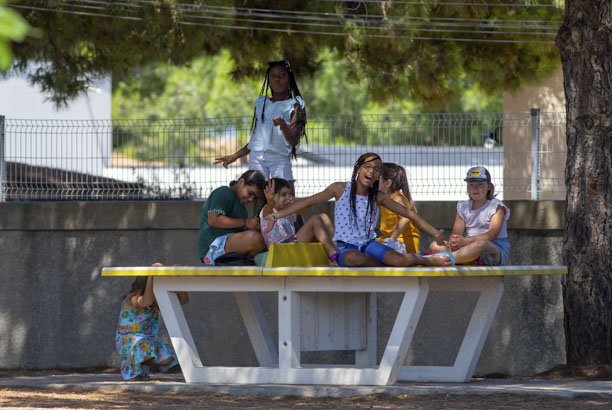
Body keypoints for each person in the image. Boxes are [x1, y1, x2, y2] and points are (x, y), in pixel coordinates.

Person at [263, 153, 453, 267]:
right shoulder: (339, 188)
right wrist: (274, 215)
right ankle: (385, 264)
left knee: (400, 261)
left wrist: (435, 232)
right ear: (358, 169)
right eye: (367, 166)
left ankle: (425, 260)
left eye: (376, 169)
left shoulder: (378, 196)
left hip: (369, 244)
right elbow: (308, 202)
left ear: (379, 175)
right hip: (347, 247)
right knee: (354, 257)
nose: (371, 171)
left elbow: (409, 214)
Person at [214, 60, 306, 188]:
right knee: (257, 195)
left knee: (285, 193)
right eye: (273, 76)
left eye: (282, 75)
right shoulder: (261, 103)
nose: (277, 79)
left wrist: (284, 127)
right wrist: (235, 156)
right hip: (256, 157)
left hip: (279, 157)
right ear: (269, 80)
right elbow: (256, 140)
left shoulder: (294, 105)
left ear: (289, 79)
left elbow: (294, 140)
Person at [429, 166, 510, 265]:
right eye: (471, 184)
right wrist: (454, 242)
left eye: (480, 184)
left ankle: (444, 259)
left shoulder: (497, 206)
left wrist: (466, 242)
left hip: (493, 247)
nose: (475, 188)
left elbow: (492, 235)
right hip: (467, 246)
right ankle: (466, 258)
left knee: (481, 244)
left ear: (489, 186)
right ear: (467, 187)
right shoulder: (463, 206)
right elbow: (456, 234)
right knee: (435, 246)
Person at [115, 272, 189, 381]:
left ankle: (141, 364)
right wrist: (152, 275)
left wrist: (178, 277)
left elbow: (183, 300)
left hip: (148, 340)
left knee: (169, 357)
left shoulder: (154, 303)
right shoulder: (131, 299)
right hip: (128, 340)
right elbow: (146, 300)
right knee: (145, 348)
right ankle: (131, 365)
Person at [198, 170, 267, 265]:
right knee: (255, 238)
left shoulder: (243, 210)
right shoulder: (224, 192)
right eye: (250, 193)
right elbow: (213, 220)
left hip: (229, 246)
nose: (251, 199)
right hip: (212, 249)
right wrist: (245, 222)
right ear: (241, 182)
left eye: (255, 198)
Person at [260, 177, 336, 259]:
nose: (288, 197)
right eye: (283, 194)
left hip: (292, 244)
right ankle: (333, 254)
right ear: (271, 197)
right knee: (314, 219)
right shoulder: (268, 211)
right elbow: (270, 206)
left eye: (290, 194)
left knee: (324, 217)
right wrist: (270, 201)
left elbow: (308, 203)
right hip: (280, 249)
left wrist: (292, 199)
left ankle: (337, 248)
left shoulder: (288, 212)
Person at [376, 162, 420, 254]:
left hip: (403, 243)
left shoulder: (397, 198)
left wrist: (392, 239)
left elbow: (406, 217)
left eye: (377, 179)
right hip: (391, 240)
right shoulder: (384, 199)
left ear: (387, 183)